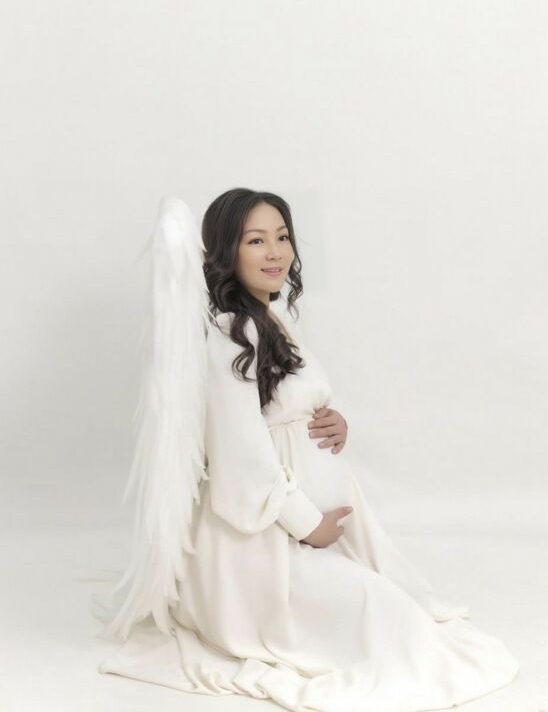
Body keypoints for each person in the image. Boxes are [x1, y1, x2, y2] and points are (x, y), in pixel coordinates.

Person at [93, 189, 519, 711]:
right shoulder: (230, 335)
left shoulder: (272, 319)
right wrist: (307, 524)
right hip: (257, 548)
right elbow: (239, 460)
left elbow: (285, 408)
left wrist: (333, 422)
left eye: (282, 237)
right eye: (256, 241)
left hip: (304, 536)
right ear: (226, 252)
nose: (275, 252)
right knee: (385, 619)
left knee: (403, 609)